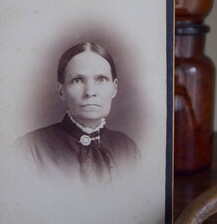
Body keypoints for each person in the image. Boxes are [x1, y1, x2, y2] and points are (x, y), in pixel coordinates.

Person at [18, 42, 138, 184]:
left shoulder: (128, 148)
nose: (90, 92)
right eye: (77, 80)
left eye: (101, 79)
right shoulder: (30, 148)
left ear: (114, 88)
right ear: (61, 90)